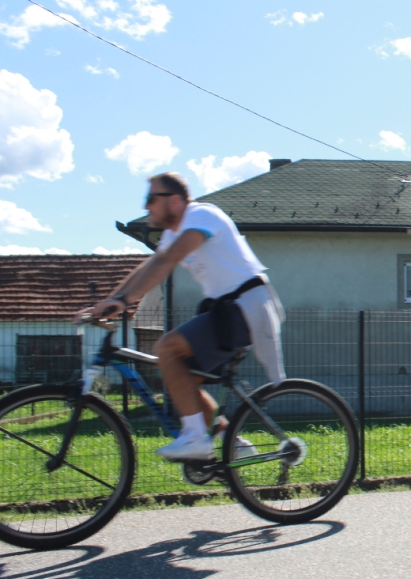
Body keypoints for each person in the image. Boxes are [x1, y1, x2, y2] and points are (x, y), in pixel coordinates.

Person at [77, 172, 286, 461]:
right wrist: (111, 301)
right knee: (183, 379)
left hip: (245, 307)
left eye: (151, 198)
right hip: (227, 310)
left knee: (166, 348)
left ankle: (195, 438)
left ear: (174, 200)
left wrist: (123, 301)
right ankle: (232, 443)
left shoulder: (201, 216)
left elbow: (166, 260)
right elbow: (148, 265)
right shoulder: (174, 233)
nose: (146, 206)